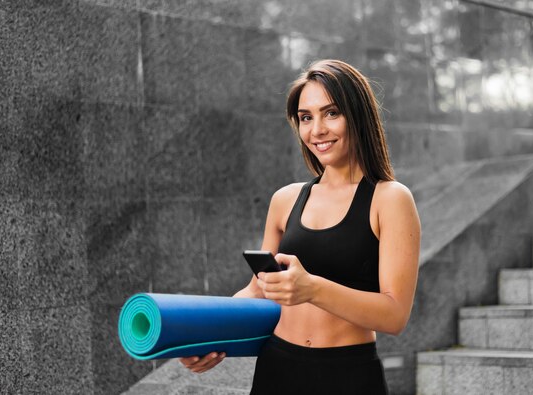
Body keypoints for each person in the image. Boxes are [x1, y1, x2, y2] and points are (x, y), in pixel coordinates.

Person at [180, 59, 421, 395]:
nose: (316, 130)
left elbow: (395, 315)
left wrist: (312, 289)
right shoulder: (286, 199)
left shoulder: (390, 199)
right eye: (306, 117)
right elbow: (257, 290)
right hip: (276, 369)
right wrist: (208, 340)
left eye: (331, 113)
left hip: (347, 376)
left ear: (358, 116)